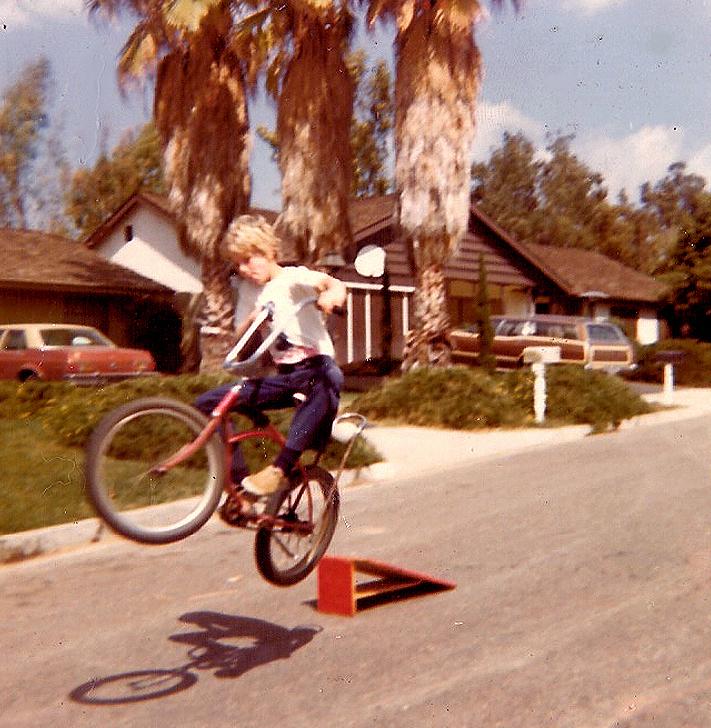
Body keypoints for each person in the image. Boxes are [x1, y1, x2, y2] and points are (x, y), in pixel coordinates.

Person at [194, 215, 346, 510]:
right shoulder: (250, 293)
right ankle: (241, 489)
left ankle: (279, 469)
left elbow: (333, 284)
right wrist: (254, 316)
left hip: (314, 369)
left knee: (329, 374)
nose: (245, 269)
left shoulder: (292, 278)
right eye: (239, 263)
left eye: (251, 259)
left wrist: (330, 298)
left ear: (270, 251)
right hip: (285, 377)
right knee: (210, 403)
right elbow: (240, 336)